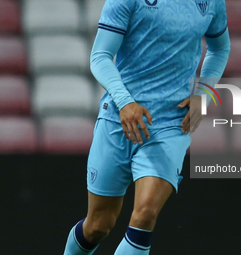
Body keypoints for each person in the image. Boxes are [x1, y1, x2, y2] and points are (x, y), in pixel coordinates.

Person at [63, 0, 230, 254]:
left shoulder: (212, 2)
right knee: (98, 226)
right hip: (118, 118)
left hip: (170, 124)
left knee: (145, 214)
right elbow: (100, 56)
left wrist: (204, 95)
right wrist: (126, 102)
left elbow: (220, 48)